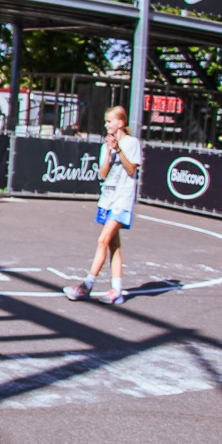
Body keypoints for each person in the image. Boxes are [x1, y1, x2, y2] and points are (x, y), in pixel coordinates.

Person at [64, 106, 139, 304]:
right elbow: (103, 173)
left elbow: (131, 170)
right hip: (108, 199)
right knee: (114, 245)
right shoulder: (105, 145)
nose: (106, 125)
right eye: (106, 121)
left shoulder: (131, 143)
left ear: (120, 123)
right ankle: (117, 290)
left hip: (122, 200)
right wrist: (108, 151)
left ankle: (87, 285)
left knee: (102, 240)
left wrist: (118, 150)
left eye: (109, 121)